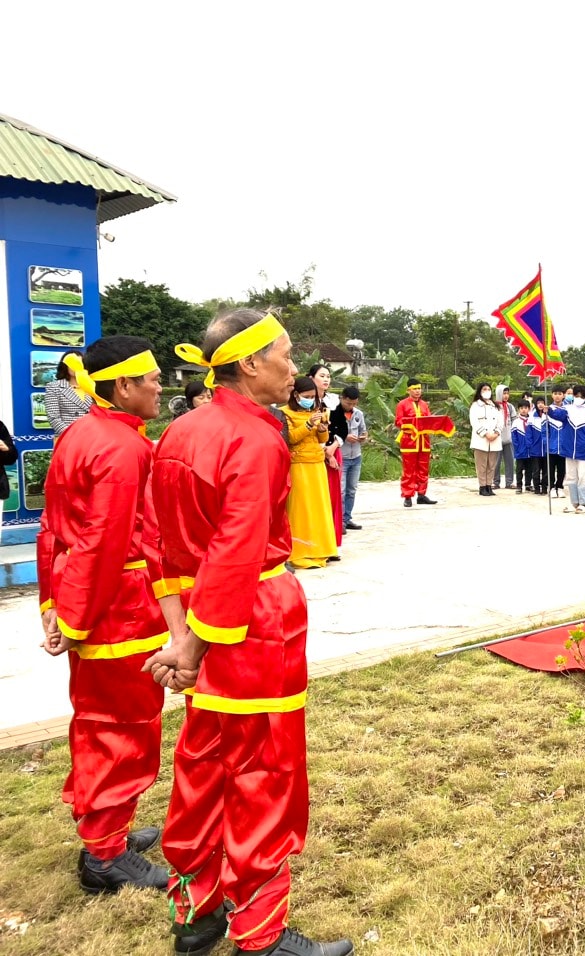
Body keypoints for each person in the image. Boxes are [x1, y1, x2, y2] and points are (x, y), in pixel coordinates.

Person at [148, 308, 353, 956]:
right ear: (249, 364)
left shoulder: (178, 433)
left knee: (203, 770)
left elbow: (165, 548)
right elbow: (236, 555)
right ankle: (261, 935)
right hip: (252, 626)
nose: (295, 368)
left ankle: (197, 913)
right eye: (286, 355)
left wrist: (181, 636)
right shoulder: (258, 437)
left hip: (203, 628)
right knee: (265, 773)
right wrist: (196, 642)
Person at [35, 337, 170, 894]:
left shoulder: (80, 433)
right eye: (153, 379)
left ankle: (106, 828)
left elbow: (53, 527)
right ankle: (105, 852)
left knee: (97, 719)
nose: (161, 387)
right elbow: (104, 542)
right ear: (123, 386)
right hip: (117, 608)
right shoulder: (122, 449)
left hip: (90, 598)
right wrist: (76, 618)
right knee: (124, 725)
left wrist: (53, 604)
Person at [282, 377, 338, 569]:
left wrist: (322, 429)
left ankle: (322, 550)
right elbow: (290, 438)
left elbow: (322, 438)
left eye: (313, 397)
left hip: (317, 463)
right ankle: (301, 553)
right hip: (298, 465)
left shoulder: (316, 411)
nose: (310, 400)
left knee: (319, 508)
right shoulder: (285, 413)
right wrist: (307, 425)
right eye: (306, 396)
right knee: (301, 509)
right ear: (295, 395)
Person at [547, 384, 585, 513]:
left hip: (584, 450)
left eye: (582, 396)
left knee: (583, 477)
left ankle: (584, 503)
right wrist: (548, 410)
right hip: (569, 449)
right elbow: (556, 415)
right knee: (571, 477)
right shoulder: (567, 409)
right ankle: (574, 502)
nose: (578, 398)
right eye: (576, 395)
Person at [307, 365, 343, 549]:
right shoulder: (303, 401)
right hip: (312, 453)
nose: (326, 379)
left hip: (333, 451)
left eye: (328, 376)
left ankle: (332, 543)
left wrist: (332, 448)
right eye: (322, 376)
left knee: (333, 498)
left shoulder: (334, 401)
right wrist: (324, 452)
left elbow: (342, 428)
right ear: (311, 378)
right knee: (316, 499)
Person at [395, 379, 437, 506]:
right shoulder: (402, 404)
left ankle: (422, 494)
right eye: (415, 388)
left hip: (424, 441)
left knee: (423, 469)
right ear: (408, 390)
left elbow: (429, 420)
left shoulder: (424, 404)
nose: (418, 391)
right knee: (409, 470)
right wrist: (412, 425)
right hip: (409, 441)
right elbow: (398, 422)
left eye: (419, 388)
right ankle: (407, 496)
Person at [332, 386, 368, 530]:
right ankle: (339, 521)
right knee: (341, 491)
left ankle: (347, 518)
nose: (351, 406)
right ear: (342, 398)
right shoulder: (334, 413)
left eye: (354, 403)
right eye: (348, 403)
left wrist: (363, 437)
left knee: (351, 490)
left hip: (356, 456)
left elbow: (364, 431)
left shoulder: (359, 414)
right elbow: (330, 433)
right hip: (342, 456)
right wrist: (345, 436)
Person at [44, 349, 93, 437]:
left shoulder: (92, 386)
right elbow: (54, 418)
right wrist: (72, 435)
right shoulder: (54, 387)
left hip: (92, 438)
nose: (76, 367)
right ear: (65, 366)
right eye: (72, 364)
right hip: (68, 438)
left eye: (79, 363)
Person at [470, 383, 504, 496]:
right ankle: (482, 486)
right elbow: (474, 421)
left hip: (494, 439)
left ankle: (489, 485)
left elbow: (501, 422)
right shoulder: (475, 405)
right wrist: (485, 434)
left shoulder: (496, 406)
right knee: (481, 465)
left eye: (489, 389)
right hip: (481, 440)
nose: (487, 391)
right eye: (484, 389)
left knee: (491, 465)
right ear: (480, 391)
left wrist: (496, 433)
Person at [492, 385, 517, 490]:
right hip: (496, 438)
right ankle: (495, 482)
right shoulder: (493, 406)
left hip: (508, 438)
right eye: (504, 393)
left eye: (507, 393)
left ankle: (509, 482)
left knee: (510, 461)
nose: (506, 396)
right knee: (495, 462)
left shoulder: (510, 407)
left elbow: (514, 421)